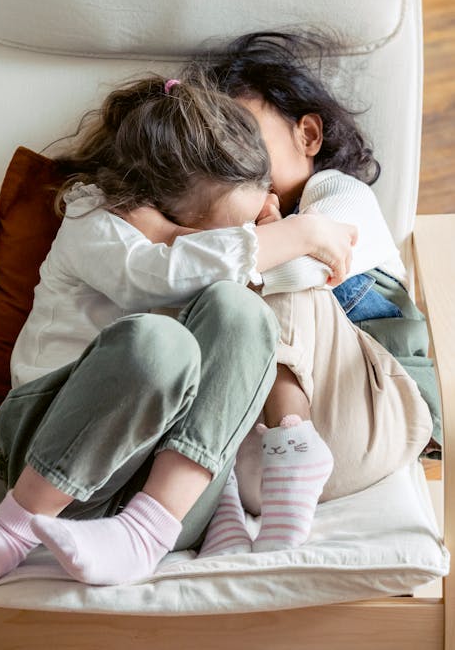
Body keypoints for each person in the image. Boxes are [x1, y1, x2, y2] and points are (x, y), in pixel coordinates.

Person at [0, 72, 357, 608]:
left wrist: (273, 233)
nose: (240, 241)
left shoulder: (203, 239)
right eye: (226, 232)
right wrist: (299, 234)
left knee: (241, 311)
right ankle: (6, 536)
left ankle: (146, 532)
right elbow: (160, 273)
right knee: (159, 343)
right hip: (47, 450)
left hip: (158, 495)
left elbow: (225, 284)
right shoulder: (93, 214)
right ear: (159, 209)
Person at [175, 31, 437, 556]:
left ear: (308, 135)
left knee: (260, 282)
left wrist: (267, 240)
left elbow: (304, 267)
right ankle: (224, 496)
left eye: (247, 139)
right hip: (255, 473)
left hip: (375, 421)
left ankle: (294, 441)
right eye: (219, 151)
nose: (234, 161)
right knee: (205, 311)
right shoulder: (231, 235)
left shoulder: (341, 195)